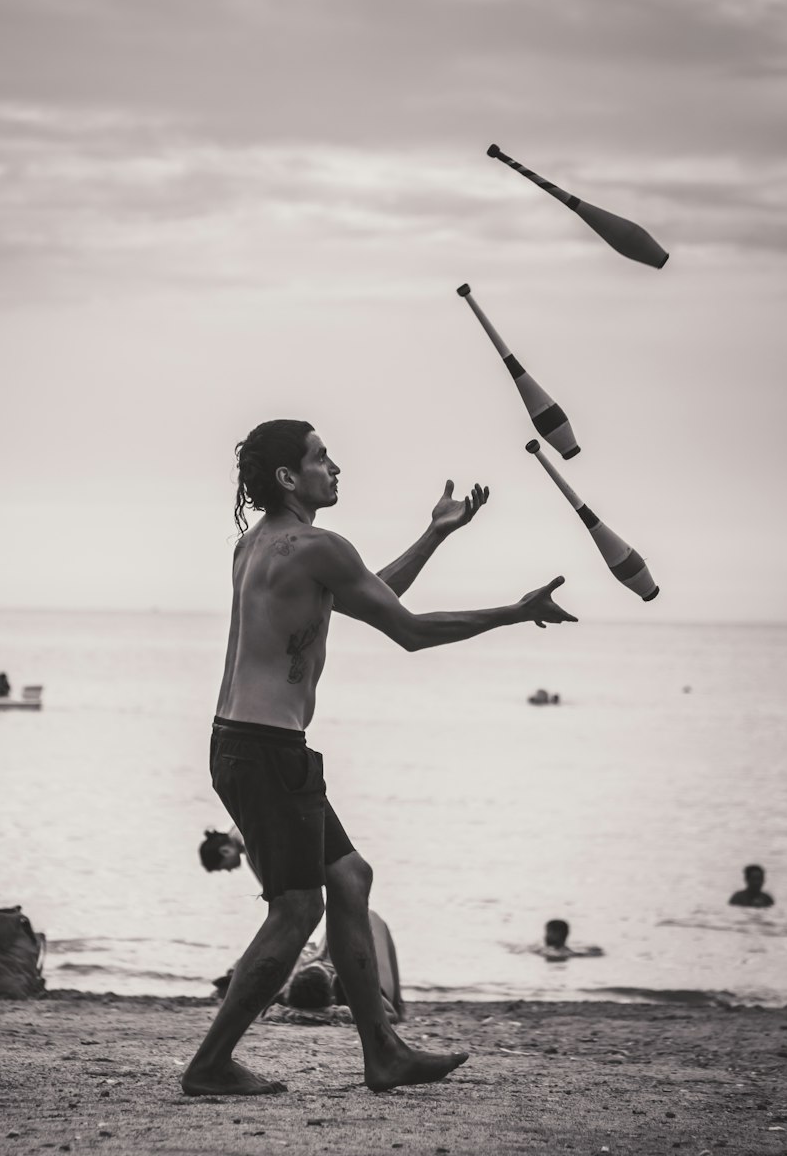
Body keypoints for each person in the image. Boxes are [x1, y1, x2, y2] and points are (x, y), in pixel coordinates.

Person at [182, 418, 576, 1098]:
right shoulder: (316, 546)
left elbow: (369, 595)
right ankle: (210, 1065)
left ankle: (382, 1053)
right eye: (320, 457)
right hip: (267, 750)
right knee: (297, 910)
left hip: (248, 744)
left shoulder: (264, 544)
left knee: (352, 878)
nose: (335, 467)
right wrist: (515, 612)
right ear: (287, 477)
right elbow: (410, 631)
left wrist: (437, 532)